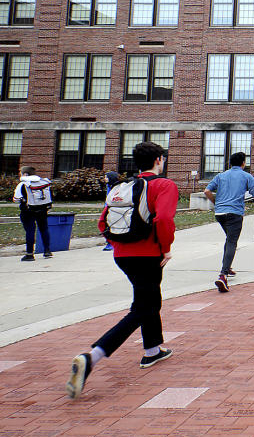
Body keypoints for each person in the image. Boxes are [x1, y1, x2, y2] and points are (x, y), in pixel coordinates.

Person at [66, 141, 178, 399]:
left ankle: (152, 350)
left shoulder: (122, 187)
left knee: (149, 299)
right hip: (148, 254)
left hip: (122, 255)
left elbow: (102, 222)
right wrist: (166, 248)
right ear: (159, 159)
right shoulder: (164, 185)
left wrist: (120, 245)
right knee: (143, 307)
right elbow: (163, 219)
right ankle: (92, 357)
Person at [203, 152, 254, 293]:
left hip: (220, 214)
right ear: (243, 163)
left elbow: (206, 191)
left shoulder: (221, 176)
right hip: (235, 214)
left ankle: (227, 267)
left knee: (229, 239)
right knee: (231, 242)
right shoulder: (247, 176)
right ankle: (223, 275)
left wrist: (216, 203)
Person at [12, 166, 53, 261]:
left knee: (30, 231)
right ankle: (47, 251)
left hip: (28, 210)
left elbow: (16, 199)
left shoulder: (23, 184)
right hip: (42, 209)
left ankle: (29, 254)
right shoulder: (43, 182)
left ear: (25, 174)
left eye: (21, 173)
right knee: (44, 229)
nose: (20, 174)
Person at [101, 171, 121, 251]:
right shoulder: (108, 186)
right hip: (108, 208)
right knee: (107, 226)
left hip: (113, 209)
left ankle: (112, 243)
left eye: (106, 177)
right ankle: (109, 242)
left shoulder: (117, 187)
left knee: (112, 226)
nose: (104, 179)